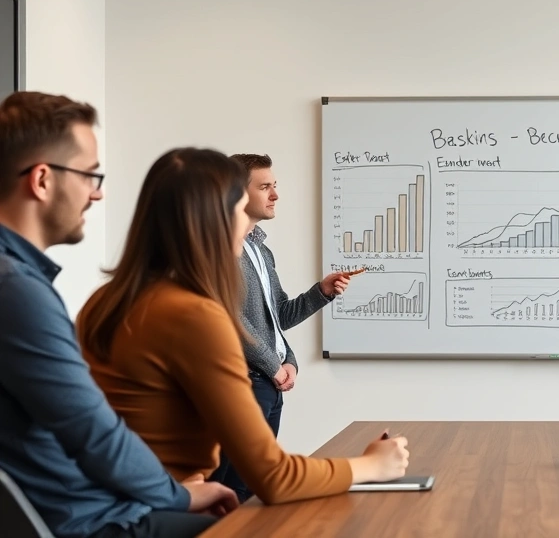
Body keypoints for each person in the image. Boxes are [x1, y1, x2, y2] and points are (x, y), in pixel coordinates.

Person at [76, 148, 409, 505]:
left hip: (132, 501)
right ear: (217, 217)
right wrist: (370, 465)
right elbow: (274, 478)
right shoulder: (192, 314)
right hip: (147, 514)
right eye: (239, 206)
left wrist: (186, 496)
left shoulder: (107, 300)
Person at [0, 92, 237, 538]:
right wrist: (179, 496)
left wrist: (165, 491)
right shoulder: (16, 290)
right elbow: (93, 433)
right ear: (43, 180)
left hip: (100, 505)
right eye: (90, 174)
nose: (98, 191)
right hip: (90, 524)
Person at [208, 153, 357, 501]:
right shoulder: (219, 251)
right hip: (244, 383)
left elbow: (277, 318)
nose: (275, 195)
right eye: (264, 187)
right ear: (235, 194)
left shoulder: (261, 251)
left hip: (269, 385)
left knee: (246, 488)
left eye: (275, 186)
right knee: (225, 487)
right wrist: (275, 365)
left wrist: (320, 293)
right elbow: (227, 318)